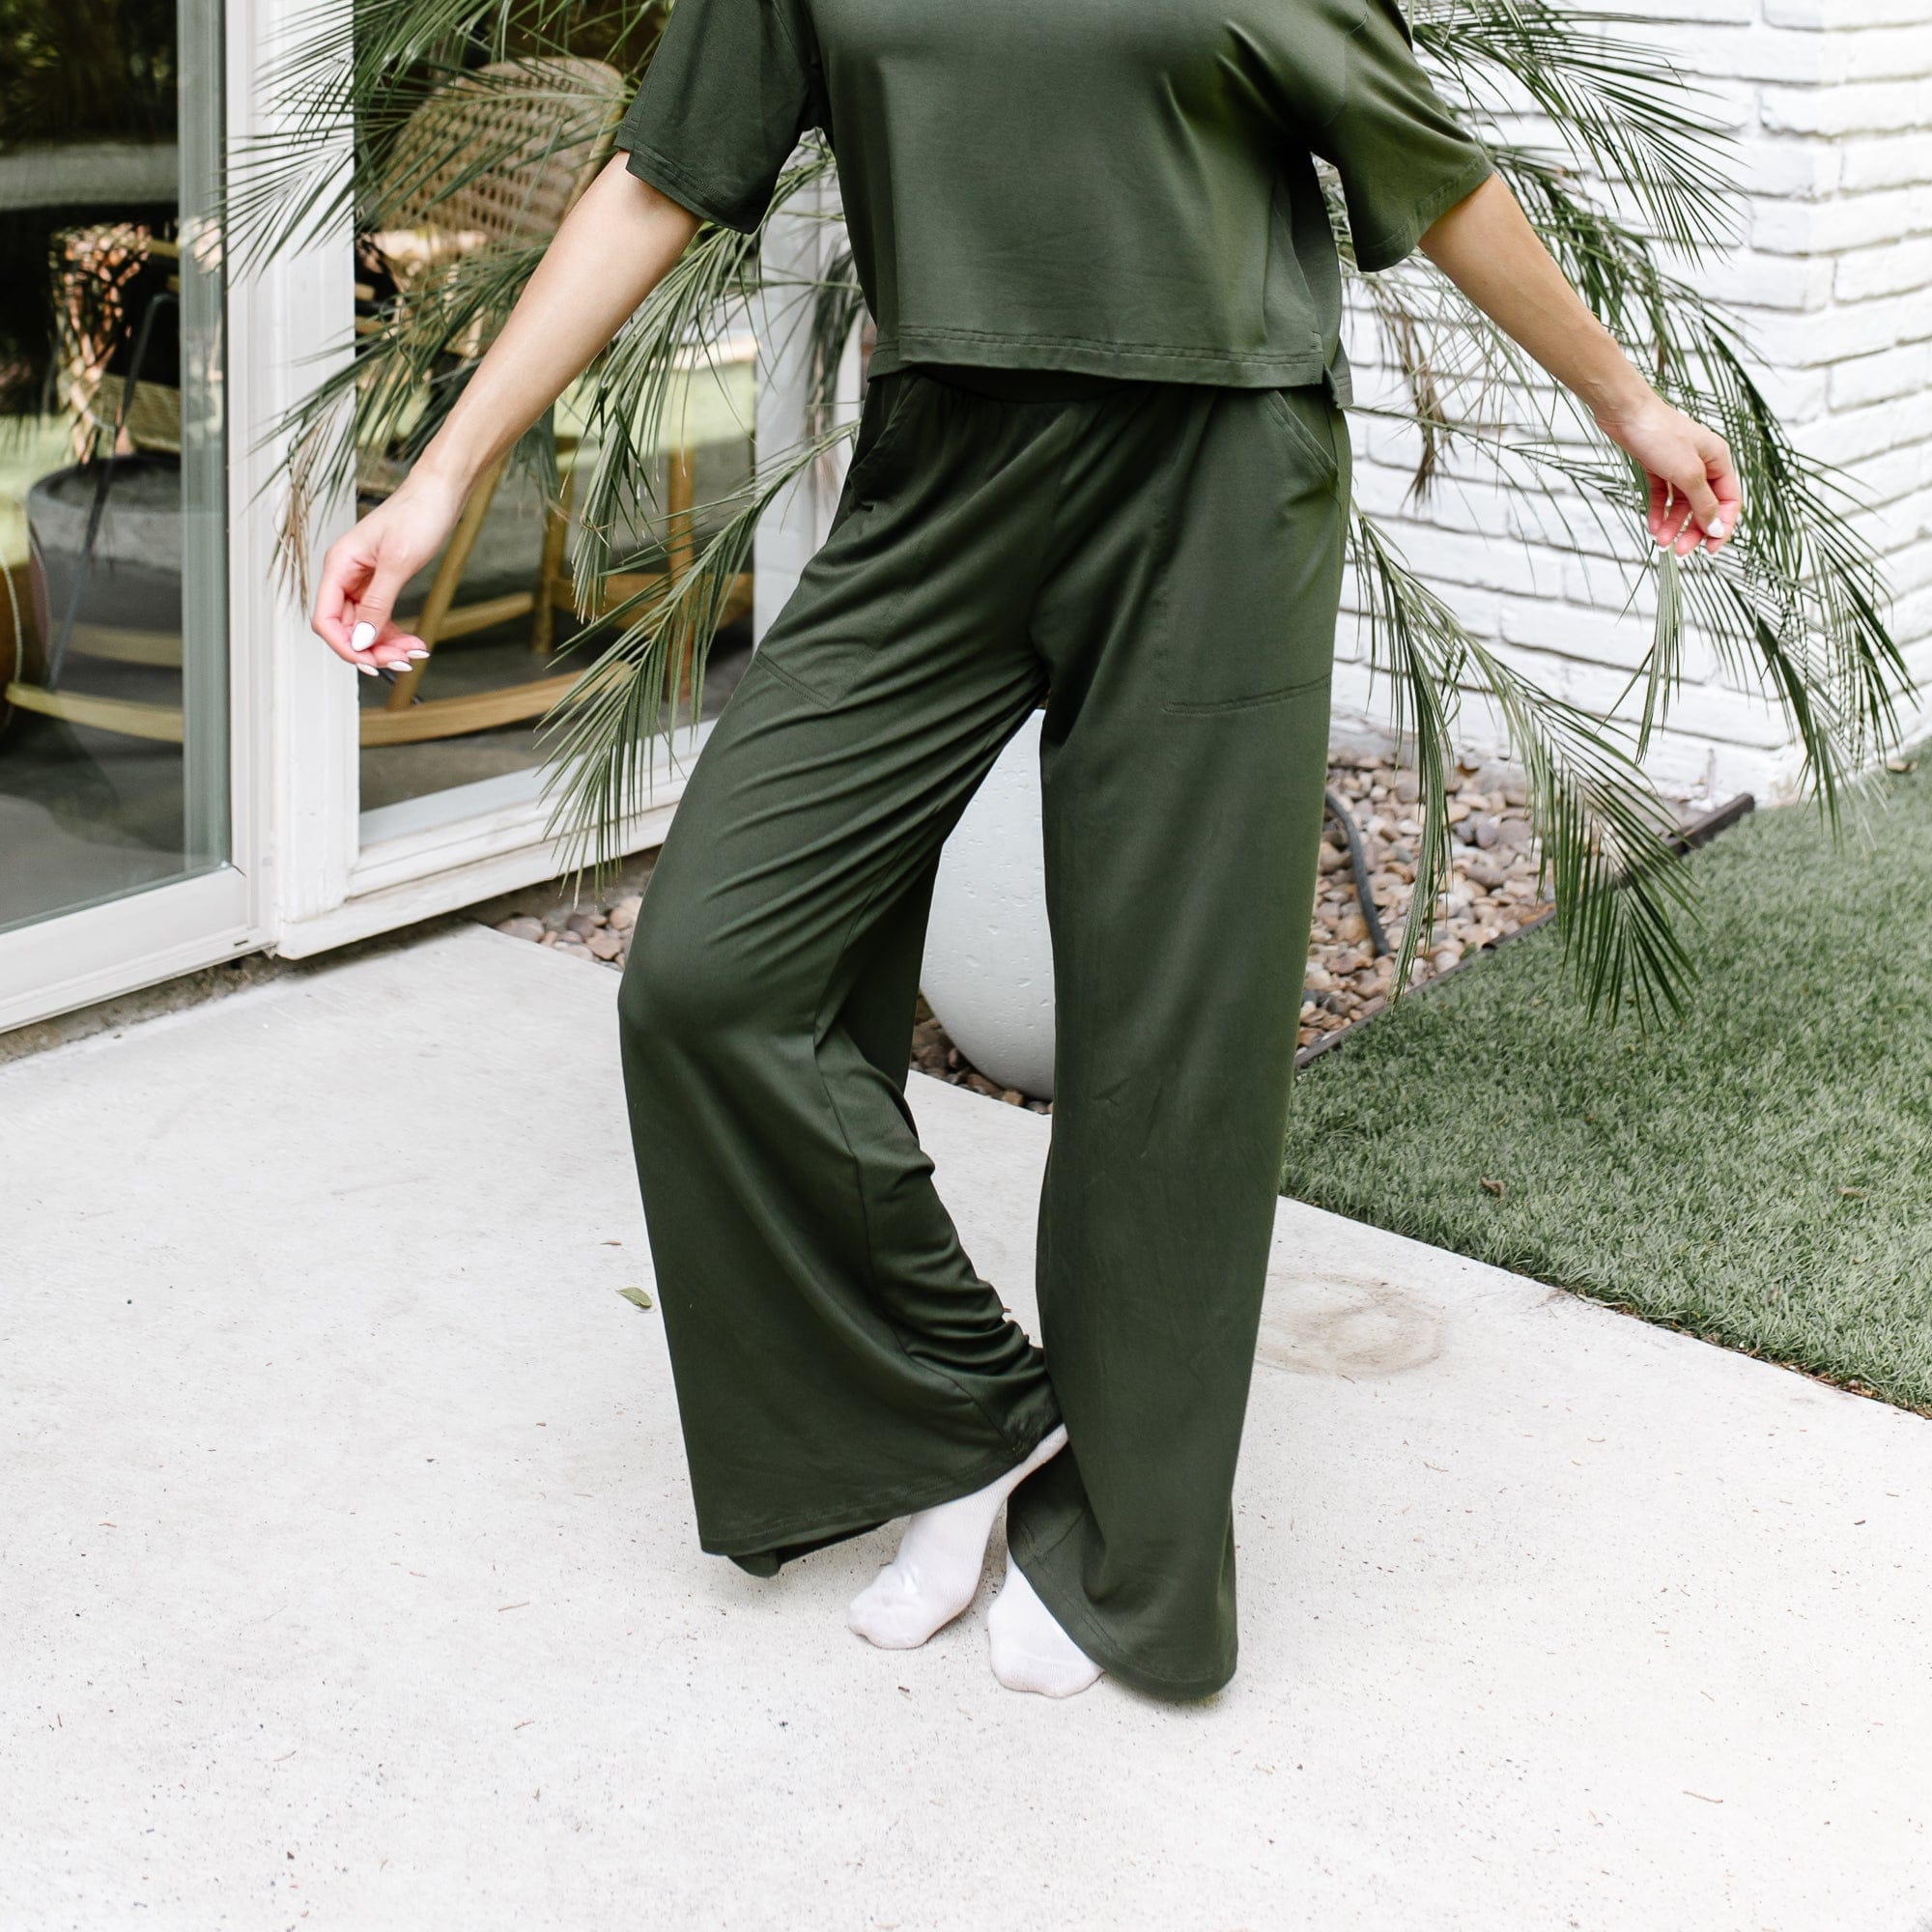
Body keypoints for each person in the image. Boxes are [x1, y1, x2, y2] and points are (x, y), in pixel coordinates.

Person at [311, 0, 1742, 1702]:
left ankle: (1131, 1551)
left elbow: (1424, 173)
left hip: (1215, 480)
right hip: (942, 477)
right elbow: (660, 179)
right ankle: (965, 1417)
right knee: (710, 976)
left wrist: (1628, 405)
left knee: (1167, 1044)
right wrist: (444, 473)